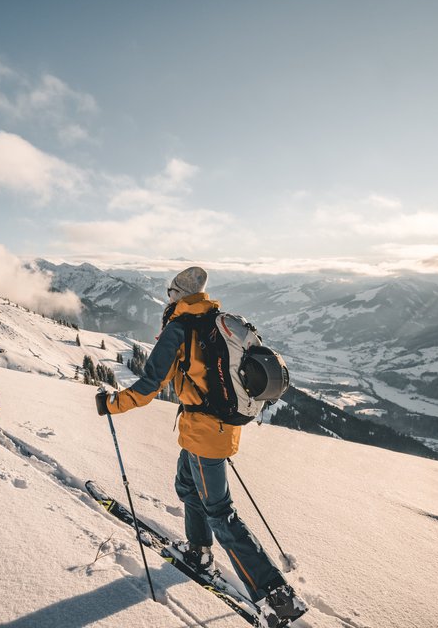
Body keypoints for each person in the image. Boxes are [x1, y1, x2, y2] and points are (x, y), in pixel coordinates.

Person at [94, 266, 306, 628]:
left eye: (169, 294)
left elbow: (147, 386)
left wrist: (112, 403)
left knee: (219, 512)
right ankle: (198, 551)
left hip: (206, 432)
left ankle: (276, 596)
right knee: (187, 485)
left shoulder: (180, 328)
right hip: (211, 428)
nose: (167, 301)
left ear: (177, 295)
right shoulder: (214, 320)